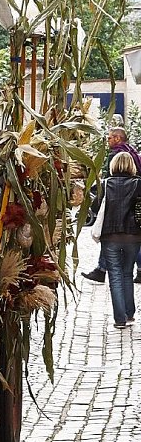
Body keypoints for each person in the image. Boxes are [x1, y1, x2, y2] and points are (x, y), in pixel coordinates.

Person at [82, 127, 141, 283]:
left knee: (110, 234)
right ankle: (137, 271)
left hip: (117, 199)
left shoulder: (117, 155)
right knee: (135, 236)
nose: (107, 141)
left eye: (109, 138)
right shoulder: (132, 152)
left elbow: (110, 178)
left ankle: (101, 270)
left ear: (117, 138)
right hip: (133, 200)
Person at [91, 151, 141, 328]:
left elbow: (94, 206)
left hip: (110, 236)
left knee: (115, 275)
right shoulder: (138, 184)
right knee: (127, 272)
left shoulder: (105, 184)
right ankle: (129, 313)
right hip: (134, 236)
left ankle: (120, 319)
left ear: (113, 165)